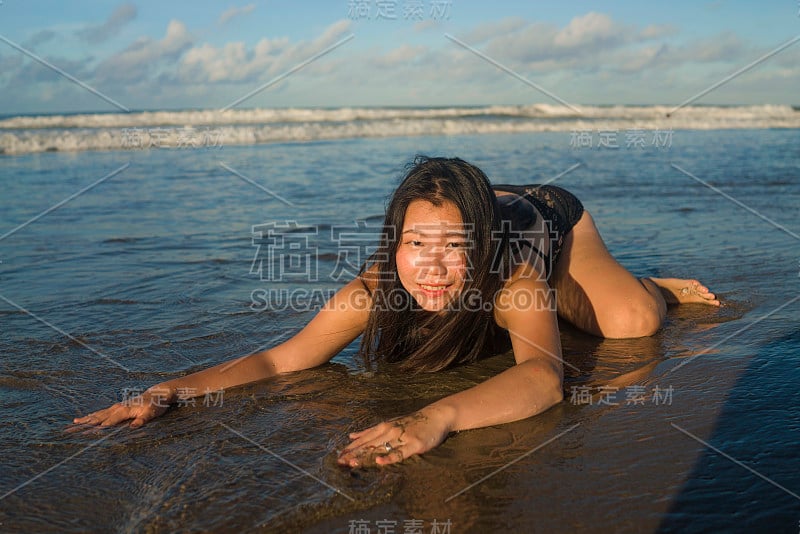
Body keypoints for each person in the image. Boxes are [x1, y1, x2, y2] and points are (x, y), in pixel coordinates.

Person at [73, 156, 719, 467]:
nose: (431, 267)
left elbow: (545, 378)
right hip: (481, 205)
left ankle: (651, 282)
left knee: (632, 322)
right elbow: (283, 357)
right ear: (395, 243)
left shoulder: (513, 276)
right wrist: (169, 392)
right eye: (416, 245)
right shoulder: (380, 284)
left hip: (547, 223)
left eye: (451, 249)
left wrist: (436, 417)